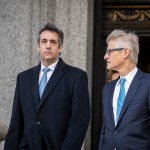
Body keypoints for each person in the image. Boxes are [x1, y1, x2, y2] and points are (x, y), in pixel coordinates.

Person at [4, 23, 90, 150]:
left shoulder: (76, 77)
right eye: (44, 41)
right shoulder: (23, 78)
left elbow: (79, 121)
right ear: (38, 46)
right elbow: (16, 121)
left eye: (53, 42)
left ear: (60, 47)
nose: (48, 46)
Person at [98, 29, 150, 150]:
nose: (105, 56)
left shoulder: (147, 83)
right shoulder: (107, 89)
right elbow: (105, 130)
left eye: (109, 51)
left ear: (125, 52)